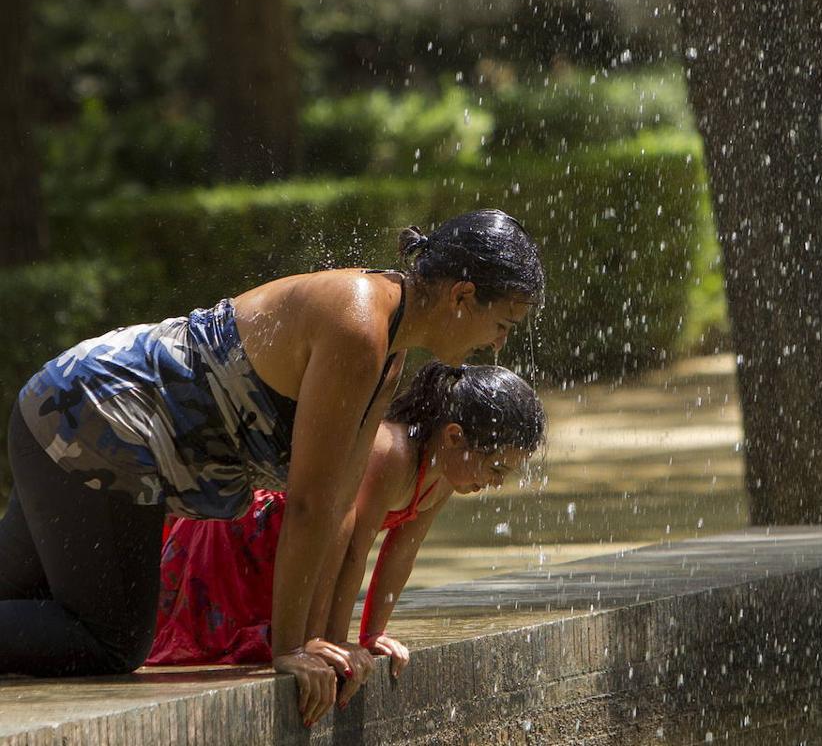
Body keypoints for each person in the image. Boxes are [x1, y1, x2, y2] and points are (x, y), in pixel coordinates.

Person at [0, 209, 542, 727]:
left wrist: (332, 641)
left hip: (71, 407)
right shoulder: (358, 322)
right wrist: (290, 648)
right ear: (462, 296)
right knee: (112, 639)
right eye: (502, 323)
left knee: (18, 601)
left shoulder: (389, 350)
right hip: (94, 420)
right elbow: (307, 503)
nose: (498, 343)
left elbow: (341, 509)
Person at [146, 362, 546, 688]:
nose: (496, 482)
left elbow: (400, 555)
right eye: (496, 468)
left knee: (286, 640)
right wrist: (335, 641)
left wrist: (373, 635)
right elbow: (353, 548)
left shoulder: (441, 477)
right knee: (239, 640)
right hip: (258, 537)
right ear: (454, 436)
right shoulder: (392, 452)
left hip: (309, 552)